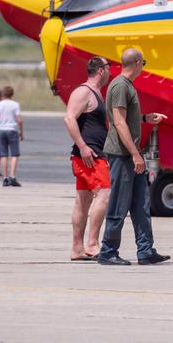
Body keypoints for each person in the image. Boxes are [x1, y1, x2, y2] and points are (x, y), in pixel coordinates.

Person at [98, 48, 170, 266]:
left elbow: (127, 118)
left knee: (141, 204)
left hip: (130, 155)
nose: (143, 66)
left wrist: (147, 118)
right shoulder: (120, 86)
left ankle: (145, 251)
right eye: (144, 62)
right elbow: (118, 122)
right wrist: (135, 154)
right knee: (119, 205)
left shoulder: (127, 86)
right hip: (122, 155)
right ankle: (108, 251)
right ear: (137, 62)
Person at [63, 57, 111, 261]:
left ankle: (77, 249)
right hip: (90, 155)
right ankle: (92, 244)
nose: (110, 71)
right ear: (101, 70)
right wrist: (83, 146)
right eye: (108, 67)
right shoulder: (84, 91)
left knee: (83, 201)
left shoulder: (97, 93)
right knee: (105, 194)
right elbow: (69, 117)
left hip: (90, 154)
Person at [0, 85, 22, 187]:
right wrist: (21, 132)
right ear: (12, 94)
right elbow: (19, 120)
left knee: (3, 154)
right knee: (14, 154)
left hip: (2, 130)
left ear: (3, 94)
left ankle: (5, 178)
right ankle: (12, 177)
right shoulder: (15, 105)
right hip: (12, 130)